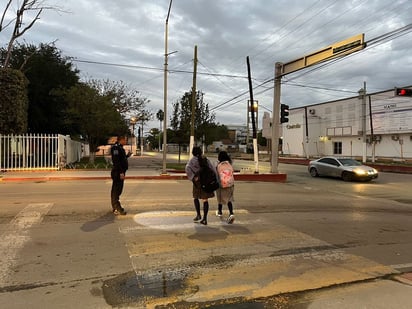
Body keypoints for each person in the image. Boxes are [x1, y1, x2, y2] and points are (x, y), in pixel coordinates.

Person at [185, 146, 216, 225]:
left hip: (197, 182)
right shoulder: (205, 159)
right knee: (205, 200)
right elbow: (212, 169)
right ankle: (205, 219)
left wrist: (193, 177)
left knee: (196, 197)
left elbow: (187, 168)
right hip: (206, 182)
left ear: (193, 153)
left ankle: (198, 215)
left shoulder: (192, 161)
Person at [110, 135, 131, 215]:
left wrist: (127, 156)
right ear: (121, 140)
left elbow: (121, 159)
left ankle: (115, 207)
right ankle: (118, 208)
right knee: (117, 190)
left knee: (116, 190)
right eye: (125, 140)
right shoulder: (116, 148)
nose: (126, 141)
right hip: (117, 172)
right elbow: (116, 161)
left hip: (119, 171)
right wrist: (121, 172)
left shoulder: (120, 147)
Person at [216, 151, 235, 224]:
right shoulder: (229, 164)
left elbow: (217, 175)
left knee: (220, 198)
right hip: (230, 184)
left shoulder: (219, 165)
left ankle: (220, 211)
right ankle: (231, 213)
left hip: (222, 185)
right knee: (229, 199)